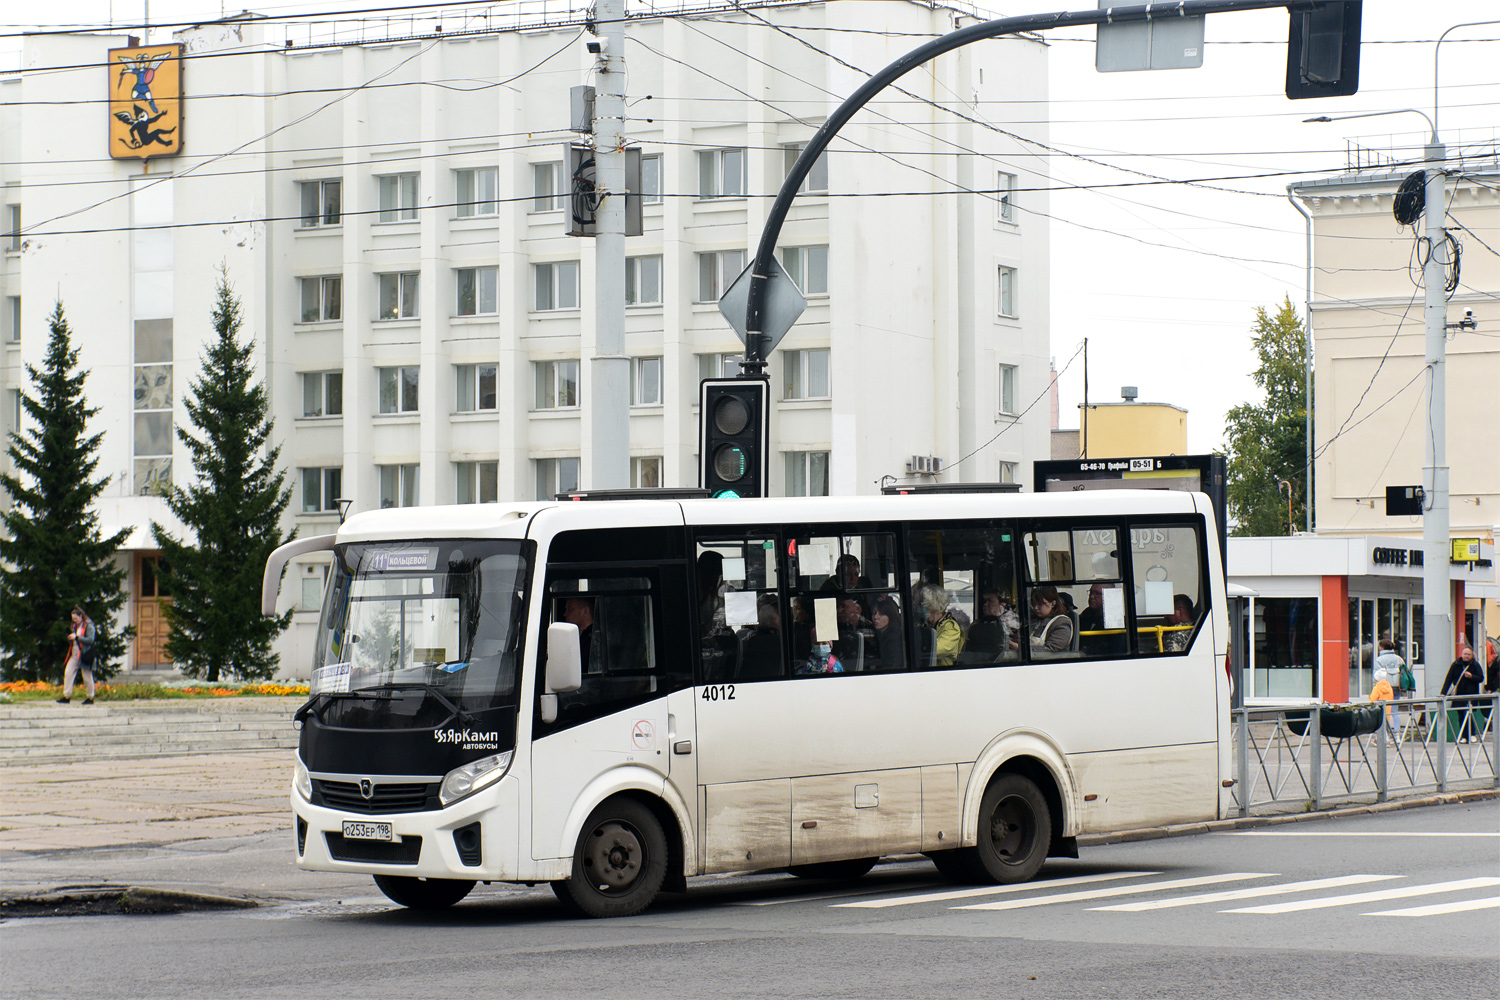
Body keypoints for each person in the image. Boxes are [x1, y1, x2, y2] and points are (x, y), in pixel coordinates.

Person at [1442, 645, 1485, 742]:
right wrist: (1443, 693)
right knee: (1460, 714)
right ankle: (1463, 736)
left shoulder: (1475, 665)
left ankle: (1472, 734)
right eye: (1465, 654)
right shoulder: (1456, 664)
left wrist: (1471, 676)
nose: (1466, 656)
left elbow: (1481, 678)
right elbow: (1448, 678)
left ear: (1472, 655)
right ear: (1461, 654)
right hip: (1459, 694)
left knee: (1468, 713)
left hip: (1471, 694)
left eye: (1469, 654)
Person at [917, 584, 964, 667]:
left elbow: (934, 650)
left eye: (922, 604)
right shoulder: (927, 625)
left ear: (933, 606)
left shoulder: (951, 629)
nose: (919, 607)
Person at [1017, 586, 1072, 655]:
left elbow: (1052, 650)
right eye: (1034, 604)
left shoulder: (1061, 623)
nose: (1036, 608)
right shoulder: (1034, 621)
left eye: (1040, 604)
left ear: (1053, 603)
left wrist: (1021, 649)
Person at [58, 606, 97, 705]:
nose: (74, 620)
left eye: (76, 618)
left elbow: (91, 640)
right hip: (75, 653)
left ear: (81, 616)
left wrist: (77, 637)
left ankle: (90, 697)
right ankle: (67, 696)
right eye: (73, 619)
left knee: (87, 676)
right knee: (68, 673)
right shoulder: (75, 626)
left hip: (85, 654)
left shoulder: (89, 626)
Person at [964, 588, 1010, 662]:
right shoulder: (977, 624)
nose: (985, 604)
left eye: (990, 601)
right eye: (985, 601)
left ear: (1002, 604)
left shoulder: (1012, 622)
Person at [870, 595, 905, 672]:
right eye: (874, 613)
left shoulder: (895, 638)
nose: (875, 617)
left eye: (881, 614)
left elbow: (893, 666)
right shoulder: (880, 635)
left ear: (890, 616)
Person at [561, 597, 597, 673]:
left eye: (570, 610)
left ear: (585, 611)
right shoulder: (577, 637)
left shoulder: (593, 639)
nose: (565, 614)